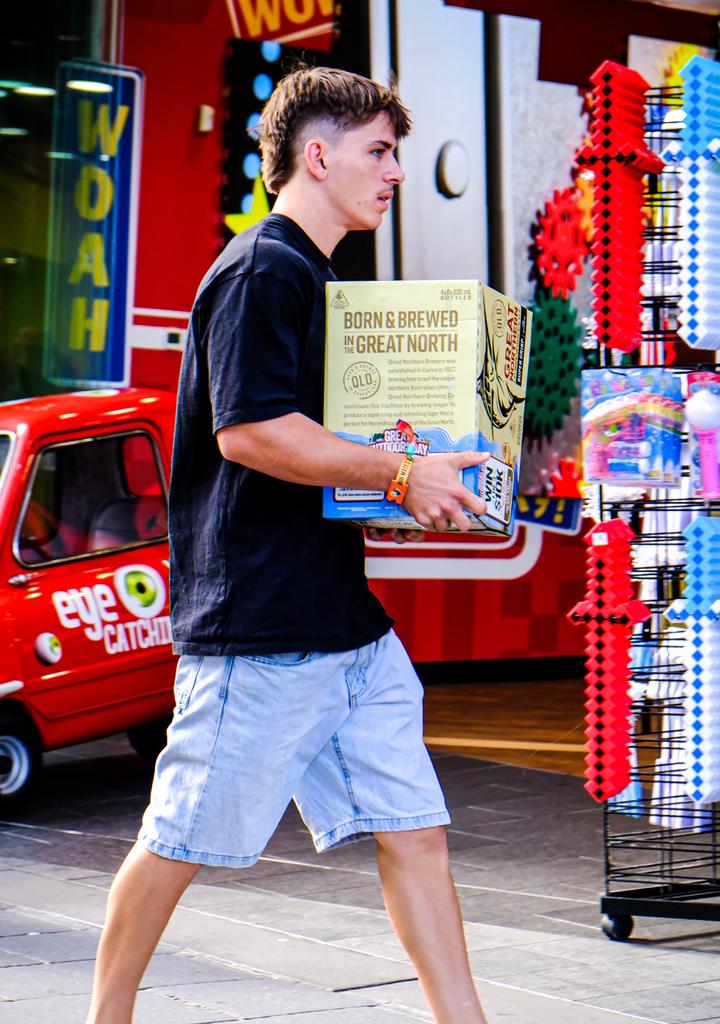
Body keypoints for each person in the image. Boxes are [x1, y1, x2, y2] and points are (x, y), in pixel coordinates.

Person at [87, 66, 489, 1024]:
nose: (395, 171)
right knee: (180, 840)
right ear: (318, 155)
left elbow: (319, 450)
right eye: (379, 152)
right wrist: (401, 475)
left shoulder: (315, 273)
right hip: (259, 630)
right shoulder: (263, 267)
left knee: (417, 834)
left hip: (344, 625)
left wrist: (422, 472)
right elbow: (251, 433)